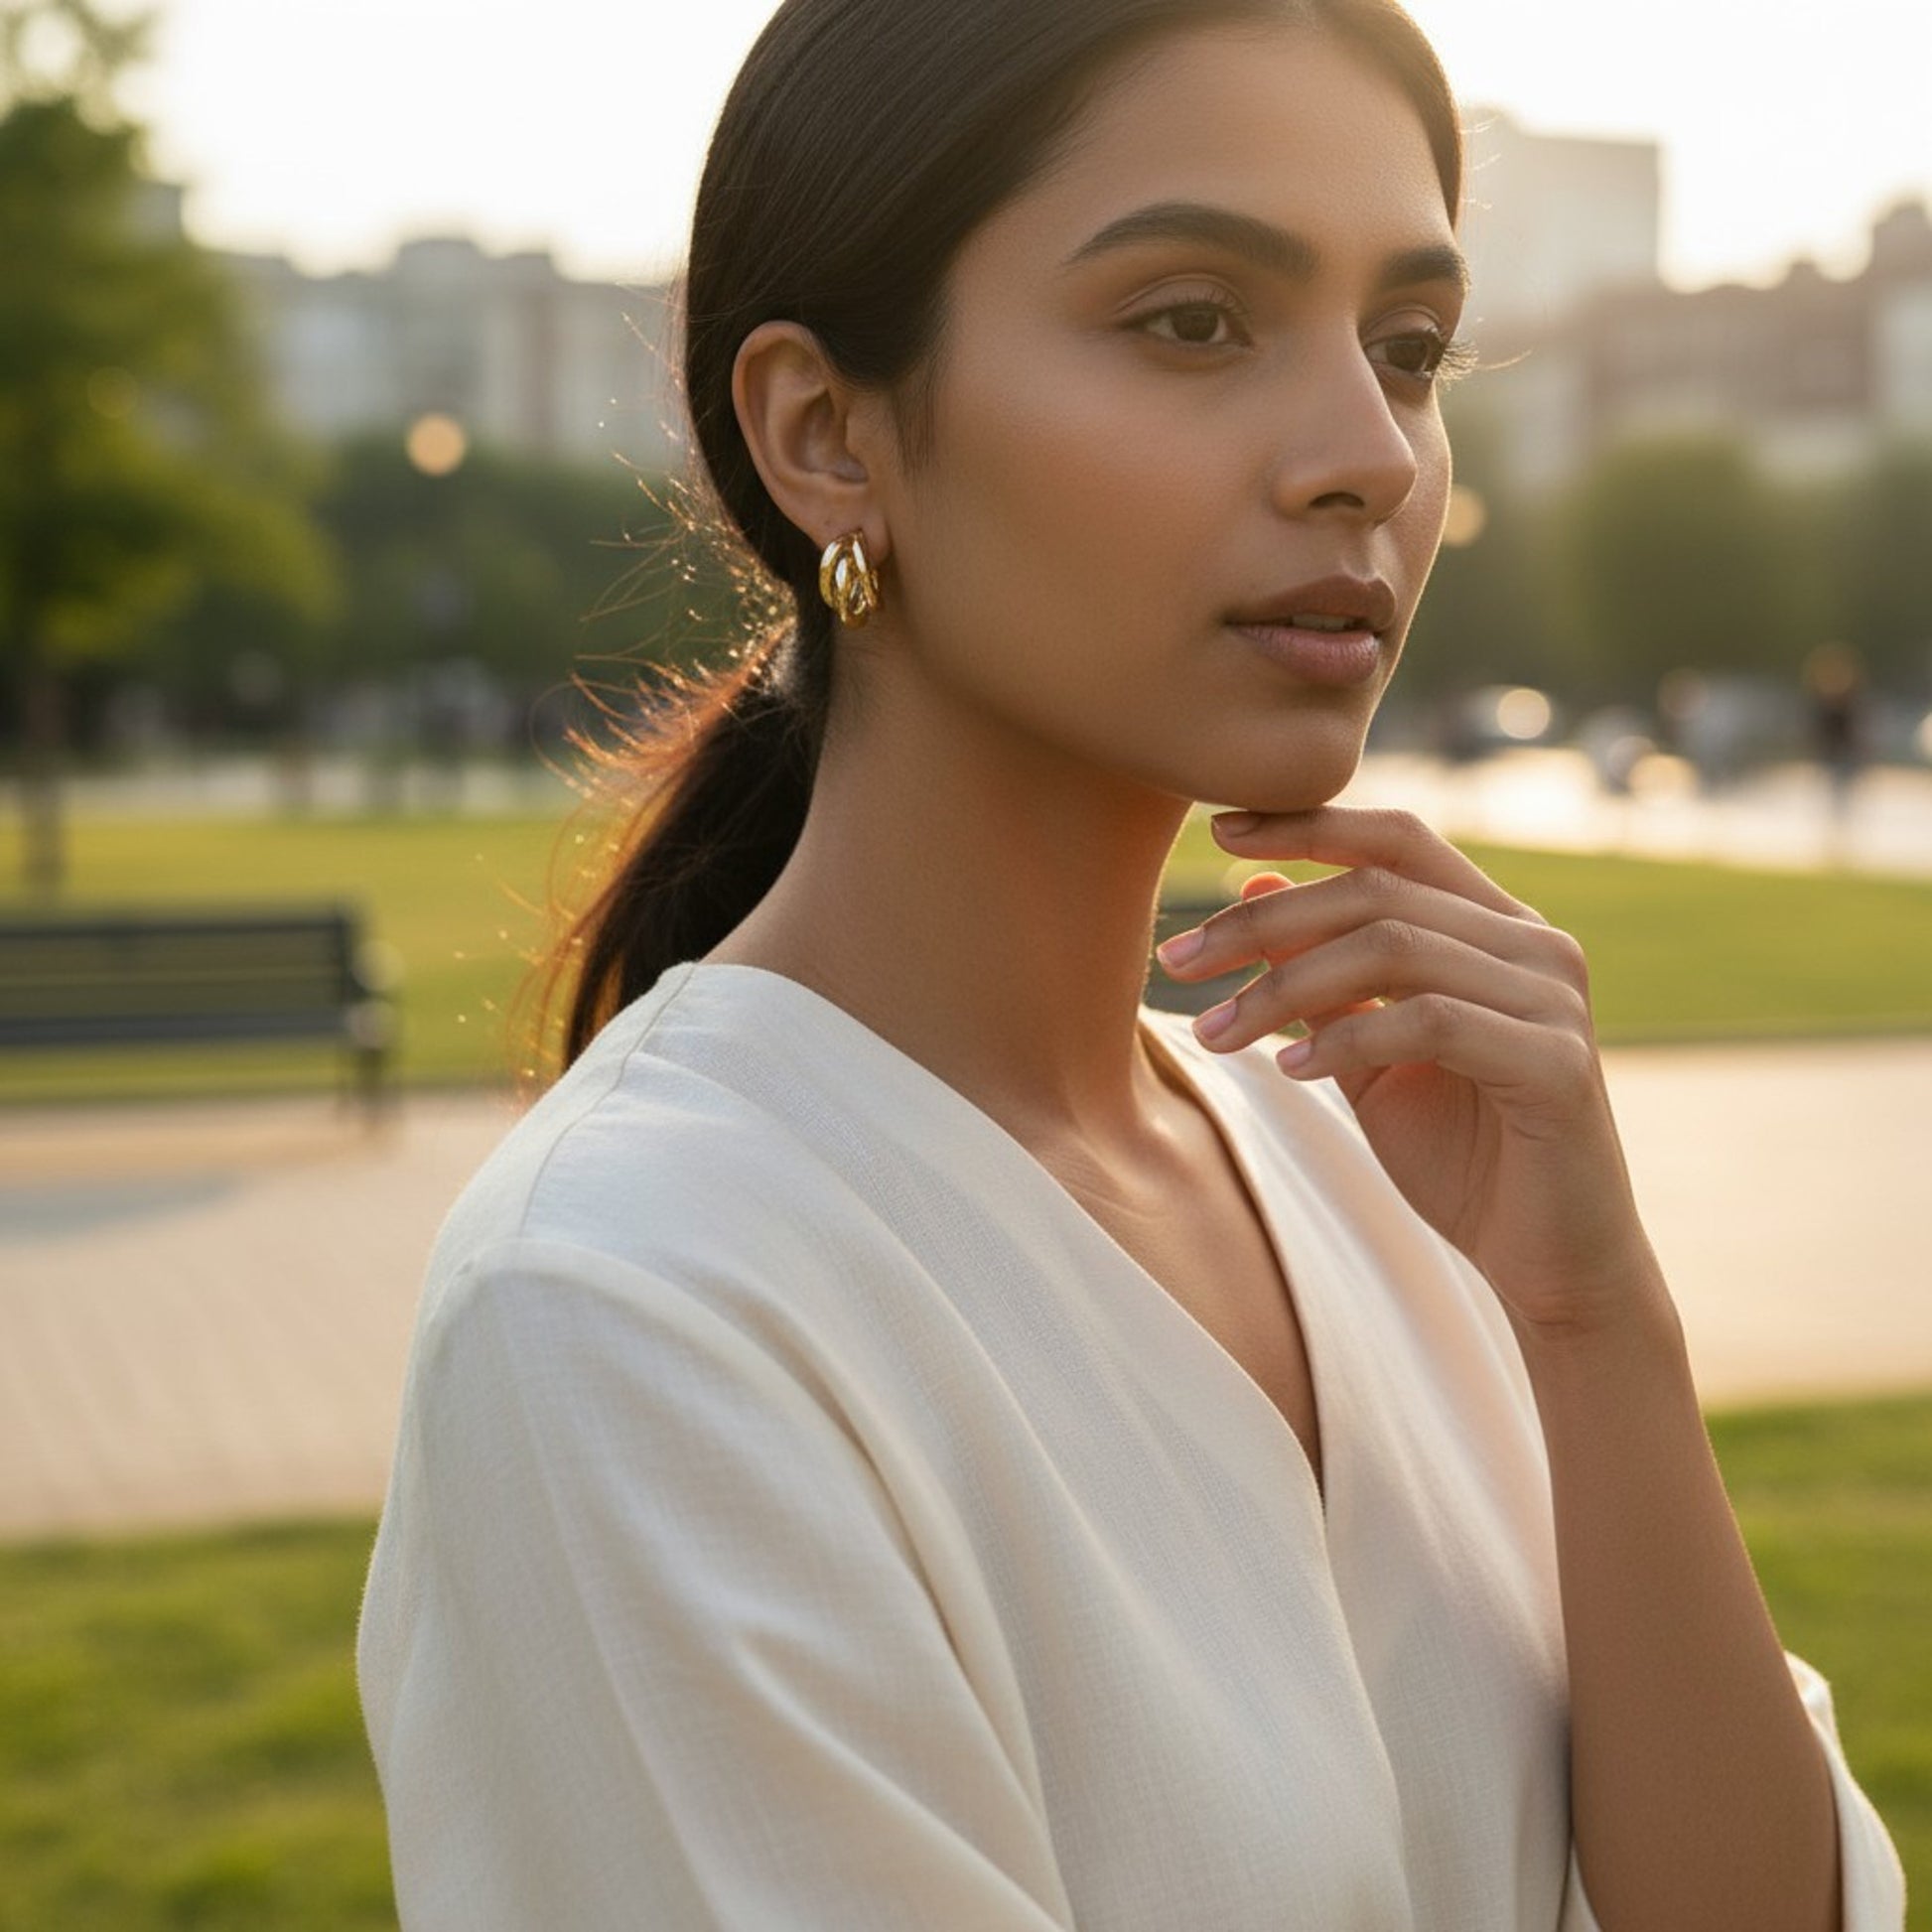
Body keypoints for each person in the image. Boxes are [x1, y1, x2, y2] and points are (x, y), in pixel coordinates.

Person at [356, 1, 1908, 1926]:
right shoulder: (629, 1306)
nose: (1370, 453)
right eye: (1193, 320)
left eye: (1407, 347)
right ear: (825, 434)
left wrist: (1598, 1330)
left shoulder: (1382, 1164)